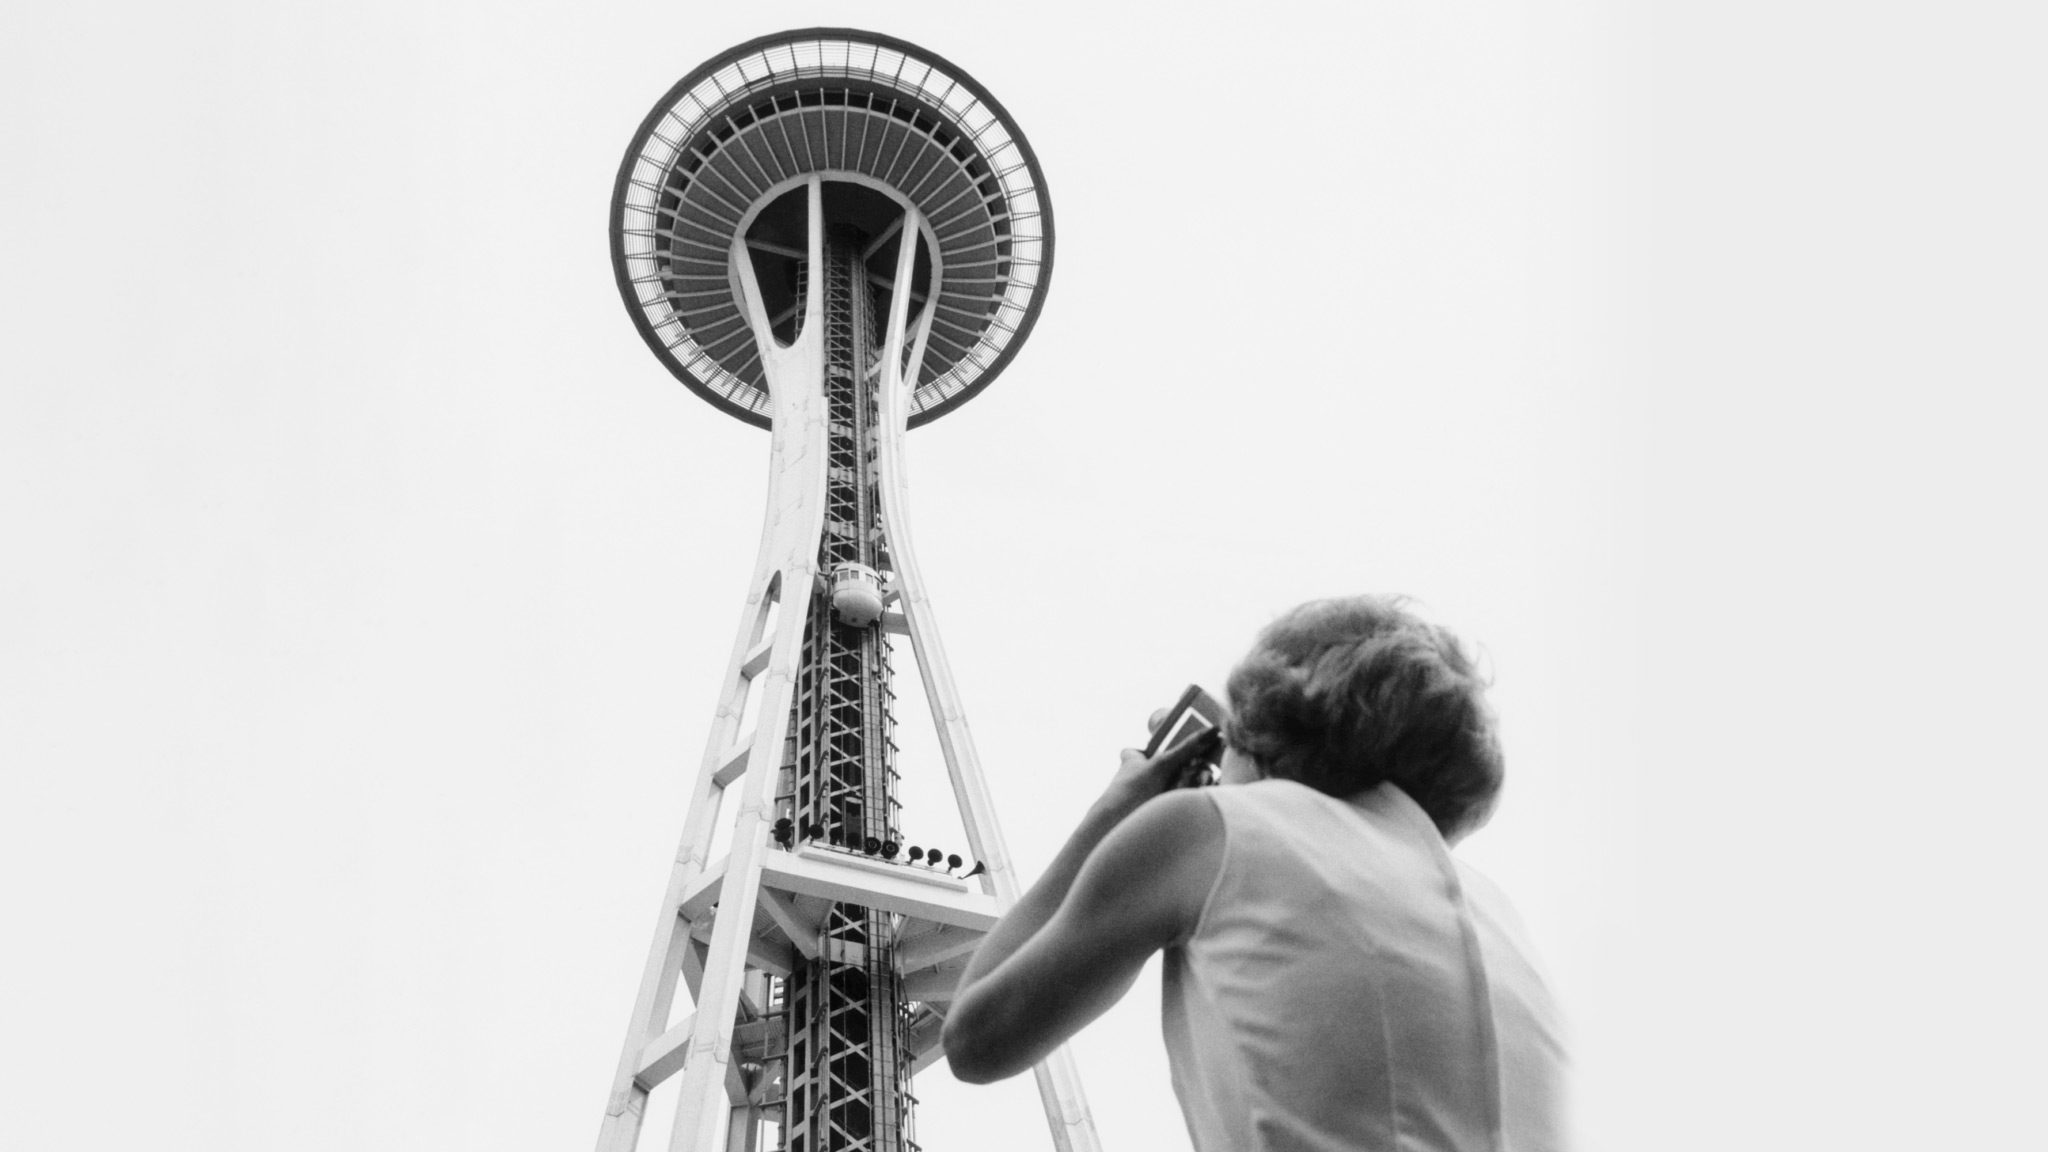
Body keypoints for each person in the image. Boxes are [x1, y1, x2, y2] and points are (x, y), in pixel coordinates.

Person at [941, 595, 1569, 1151]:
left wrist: (1111, 817)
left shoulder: (1207, 828)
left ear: (1264, 724)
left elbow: (976, 1039)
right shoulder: (1494, 910)